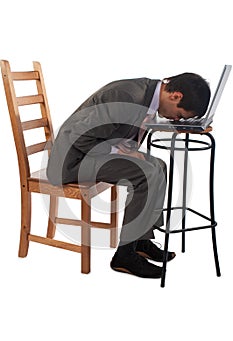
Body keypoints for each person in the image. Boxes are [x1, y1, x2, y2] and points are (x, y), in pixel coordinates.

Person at [47, 72, 211, 279]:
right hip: (72, 160)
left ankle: (141, 240)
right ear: (176, 96)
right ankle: (124, 255)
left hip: (92, 151)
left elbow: (127, 124)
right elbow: (80, 138)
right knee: (146, 173)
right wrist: (121, 151)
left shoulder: (149, 95)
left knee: (158, 166)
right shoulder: (126, 96)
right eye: (179, 115)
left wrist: (176, 126)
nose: (176, 118)